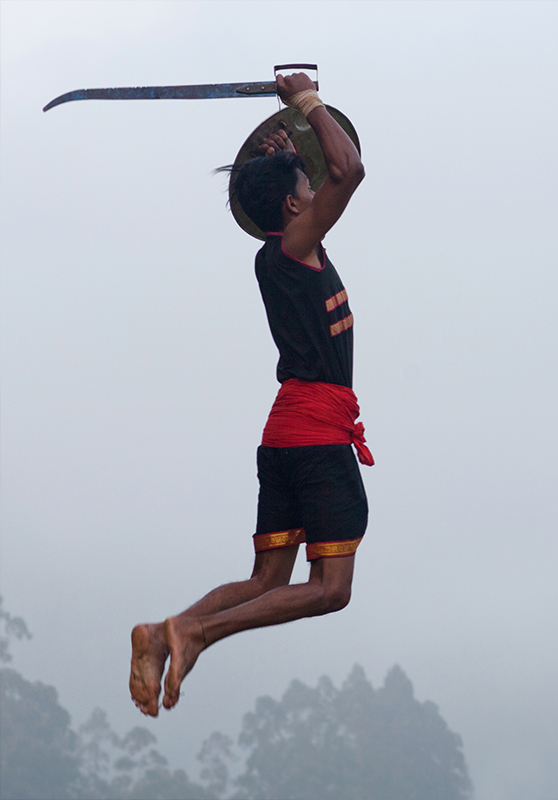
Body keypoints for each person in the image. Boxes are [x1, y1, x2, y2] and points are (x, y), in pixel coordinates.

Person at [129, 72, 369, 715]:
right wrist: (306, 102)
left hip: (287, 430)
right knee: (330, 589)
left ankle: (159, 633)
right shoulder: (295, 245)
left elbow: (320, 179)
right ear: (295, 208)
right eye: (304, 187)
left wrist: (283, 143)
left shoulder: (285, 249)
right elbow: (348, 170)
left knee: (268, 578)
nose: (315, 187)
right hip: (316, 431)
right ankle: (196, 632)